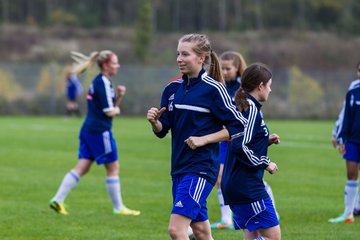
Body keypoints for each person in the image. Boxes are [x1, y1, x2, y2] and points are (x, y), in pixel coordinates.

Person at [147, 33, 247, 240]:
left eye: (185, 54)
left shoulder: (214, 89)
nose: (179, 59)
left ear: (201, 58)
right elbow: (163, 129)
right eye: (178, 54)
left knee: (176, 230)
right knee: (201, 232)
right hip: (179, 167)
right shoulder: (172, 89)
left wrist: (204, 139)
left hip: (200, 168)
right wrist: (155, 122)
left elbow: (238, 126)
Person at [50, 50, 140, 216]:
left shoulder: (99, 81)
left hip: (88, 130)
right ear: (105, 65)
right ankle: (119, 208)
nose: (117, 66)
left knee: (82, 167)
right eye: (114, 63)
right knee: (113, 168)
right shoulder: (103, 82)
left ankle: (58, 199)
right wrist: (118, 109)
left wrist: (118, 97)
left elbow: (106, 105)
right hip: (100, 131)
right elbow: (109, 111)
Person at [211, 51, 278, 230]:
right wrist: (265, 162)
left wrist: (264, 140)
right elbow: (241, 145)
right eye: (269, 85)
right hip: (247, 188)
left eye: (228, 68)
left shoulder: (246, 103)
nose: (271, 90)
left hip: (238, 184)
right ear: (261, 86)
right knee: (273, 236)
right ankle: (226, 219)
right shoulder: (250, 109)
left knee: (254, 233)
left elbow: (245, 137)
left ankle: (226, 219)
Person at [329, 61, 360, 223]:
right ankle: (348, 214)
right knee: (351, 174)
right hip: (353, 141)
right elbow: (346, 116)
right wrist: (340, 136)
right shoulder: (353, 90)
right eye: (359, 70)